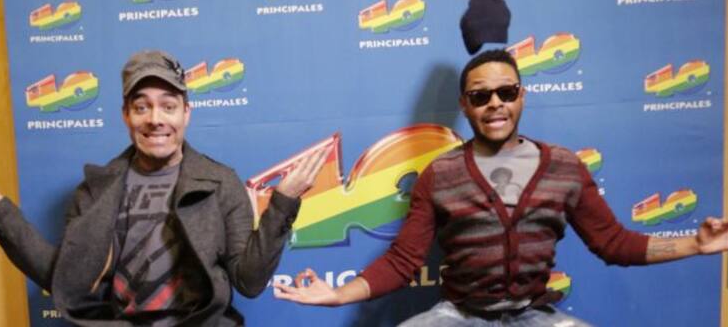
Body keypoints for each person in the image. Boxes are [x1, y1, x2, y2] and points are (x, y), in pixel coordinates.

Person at [273, 49, 728, 326]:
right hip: (457, 317)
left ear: (522, 96)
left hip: (536, 316)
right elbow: (402, 261)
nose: (495, 104)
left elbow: (614, 243)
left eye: (506, 92)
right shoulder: (440, 174)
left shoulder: (564, 167)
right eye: (480, 96)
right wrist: (337, 294)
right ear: (465, 106)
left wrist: (695, 244)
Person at [0, 49, 329, 326]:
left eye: (168, 106)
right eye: (141, 107)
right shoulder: (95, 191)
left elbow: (249, 281)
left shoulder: (221, 183)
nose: (155, 119)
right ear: (125, 115)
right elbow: (66, 280)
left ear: (186, 113)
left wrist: (283, 203)